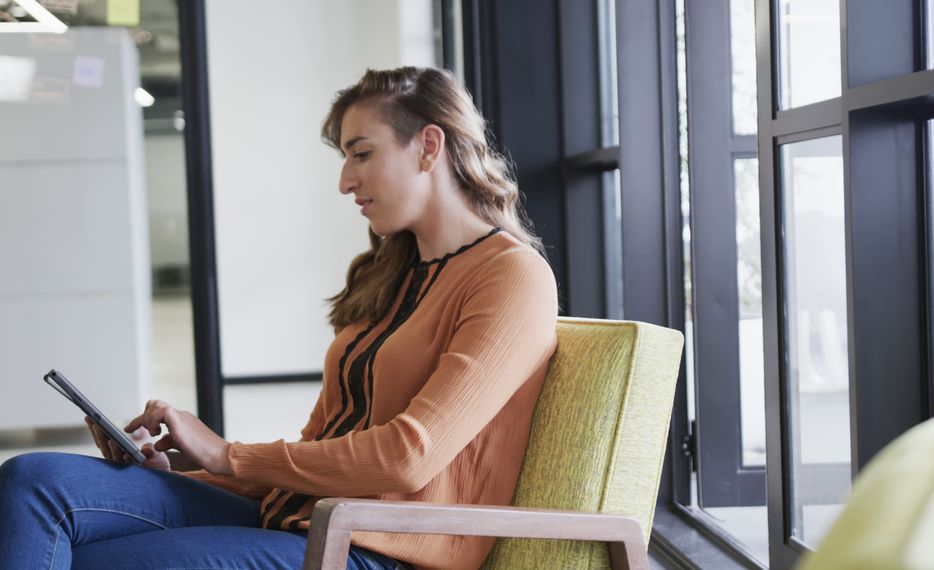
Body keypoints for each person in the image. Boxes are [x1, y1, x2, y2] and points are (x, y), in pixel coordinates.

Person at [0, 66, 559, 570]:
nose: (345, 181)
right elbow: (321, 442)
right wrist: (193, 466)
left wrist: (226, 453)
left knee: (97, 559)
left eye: (361, 153)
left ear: (428, 146)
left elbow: (409, 459)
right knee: (31, 482)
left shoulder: (510, 277)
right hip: (294, 516)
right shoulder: (392, 273)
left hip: (375, 548)